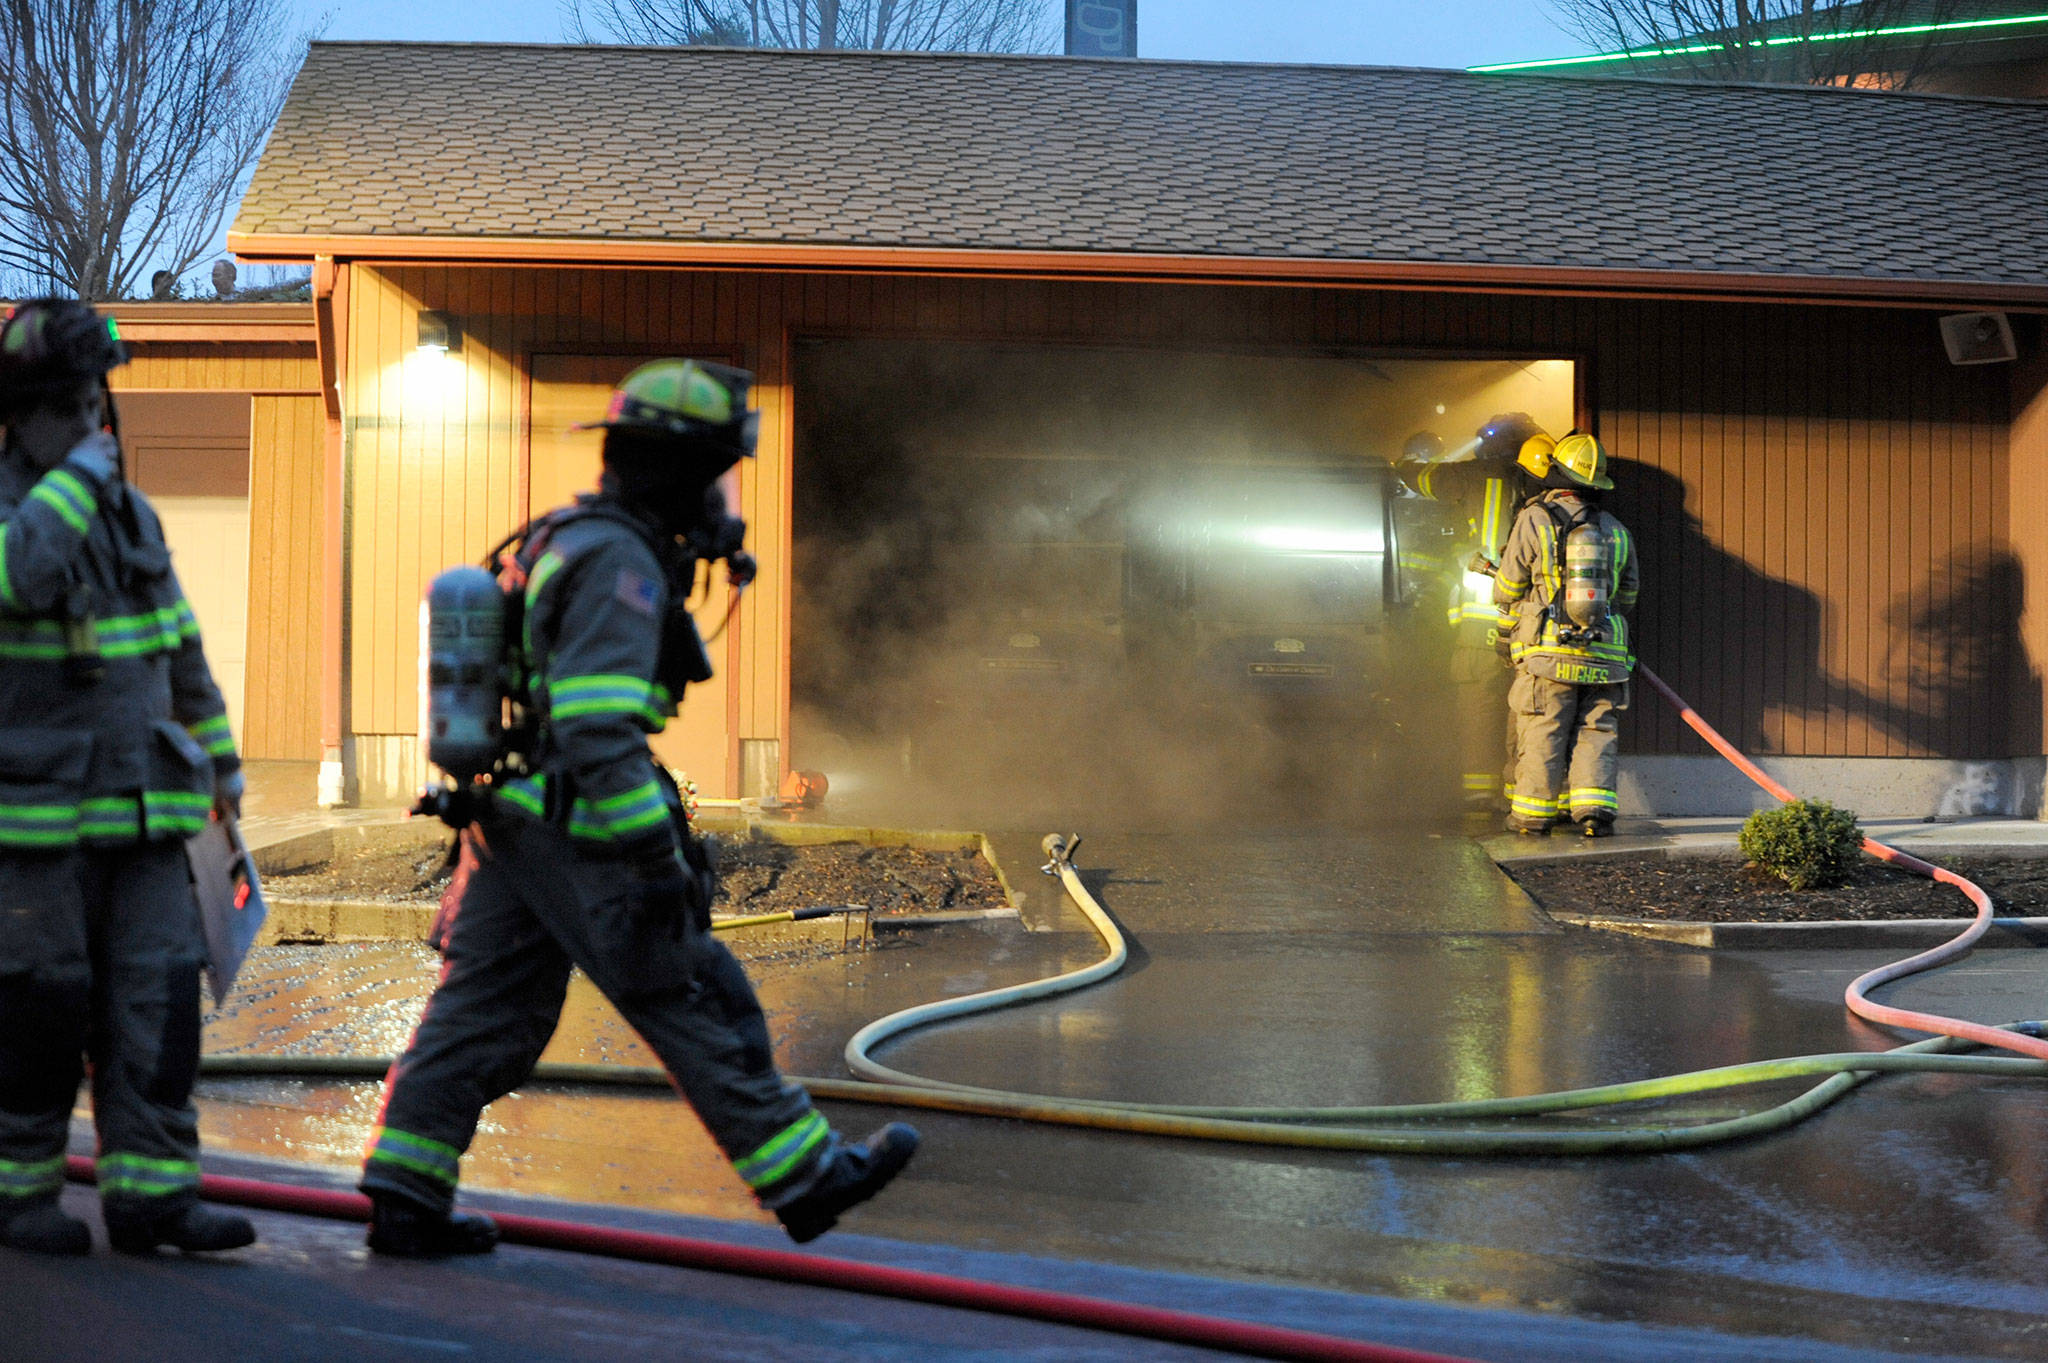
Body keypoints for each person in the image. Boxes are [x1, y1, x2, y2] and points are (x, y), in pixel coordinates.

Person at [361, 359, 918, 1256]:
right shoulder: (621, 564)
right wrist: (656, 858)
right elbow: (596, 734)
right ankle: (807, 1179)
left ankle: (403, 1193)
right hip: (580, 830)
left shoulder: (565, 537)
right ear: (677, 470)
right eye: (715, 474)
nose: (722, 498)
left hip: (510, 826)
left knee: (483, 1015)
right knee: (697, 993)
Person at [0, 300, 254, 1256]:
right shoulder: (26, 505)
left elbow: (179, 646)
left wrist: (223, 768)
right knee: (36, 1009)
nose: (90, 421)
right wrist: (72, 484)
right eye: (66, 406)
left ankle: (154, 1199)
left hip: (150, 816)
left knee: (155, 1004)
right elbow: (20, 576)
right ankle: (17, 1197)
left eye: (93, 399)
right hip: (35, 828)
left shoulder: (129, 512)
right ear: (19, 415)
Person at [1493, 433, 1639, 836]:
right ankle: (1594, 816)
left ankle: (1531, 817)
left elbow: (1508, 585)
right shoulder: (1616, 529)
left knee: (1544, 729)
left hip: (1550, 653)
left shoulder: (1534, 518)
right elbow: (1627, 595)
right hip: (1606, 658)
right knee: (1597, 731)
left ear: (1556, 475)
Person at [1417, 414, 1548, 810]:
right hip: (1529, 628)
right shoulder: (1545, 489)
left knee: (1477, 711)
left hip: (1478, 627)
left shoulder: (1468, 475)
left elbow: (1422, 480)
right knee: (1526, 713)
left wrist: (1398, 463)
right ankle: (1518, 793)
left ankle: (1478, 792)